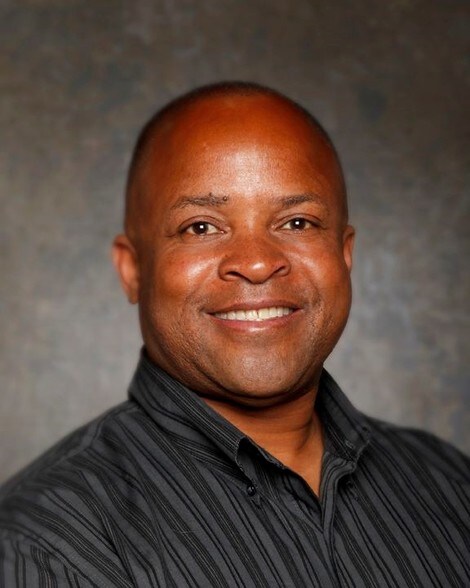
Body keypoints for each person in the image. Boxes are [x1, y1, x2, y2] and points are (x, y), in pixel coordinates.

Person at [0, 82, 469, 587]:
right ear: (132, 269)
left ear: (344, 254)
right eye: (201, 227)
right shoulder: (44, 547)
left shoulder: (449, 482)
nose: (258, 262)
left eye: (297, 222)